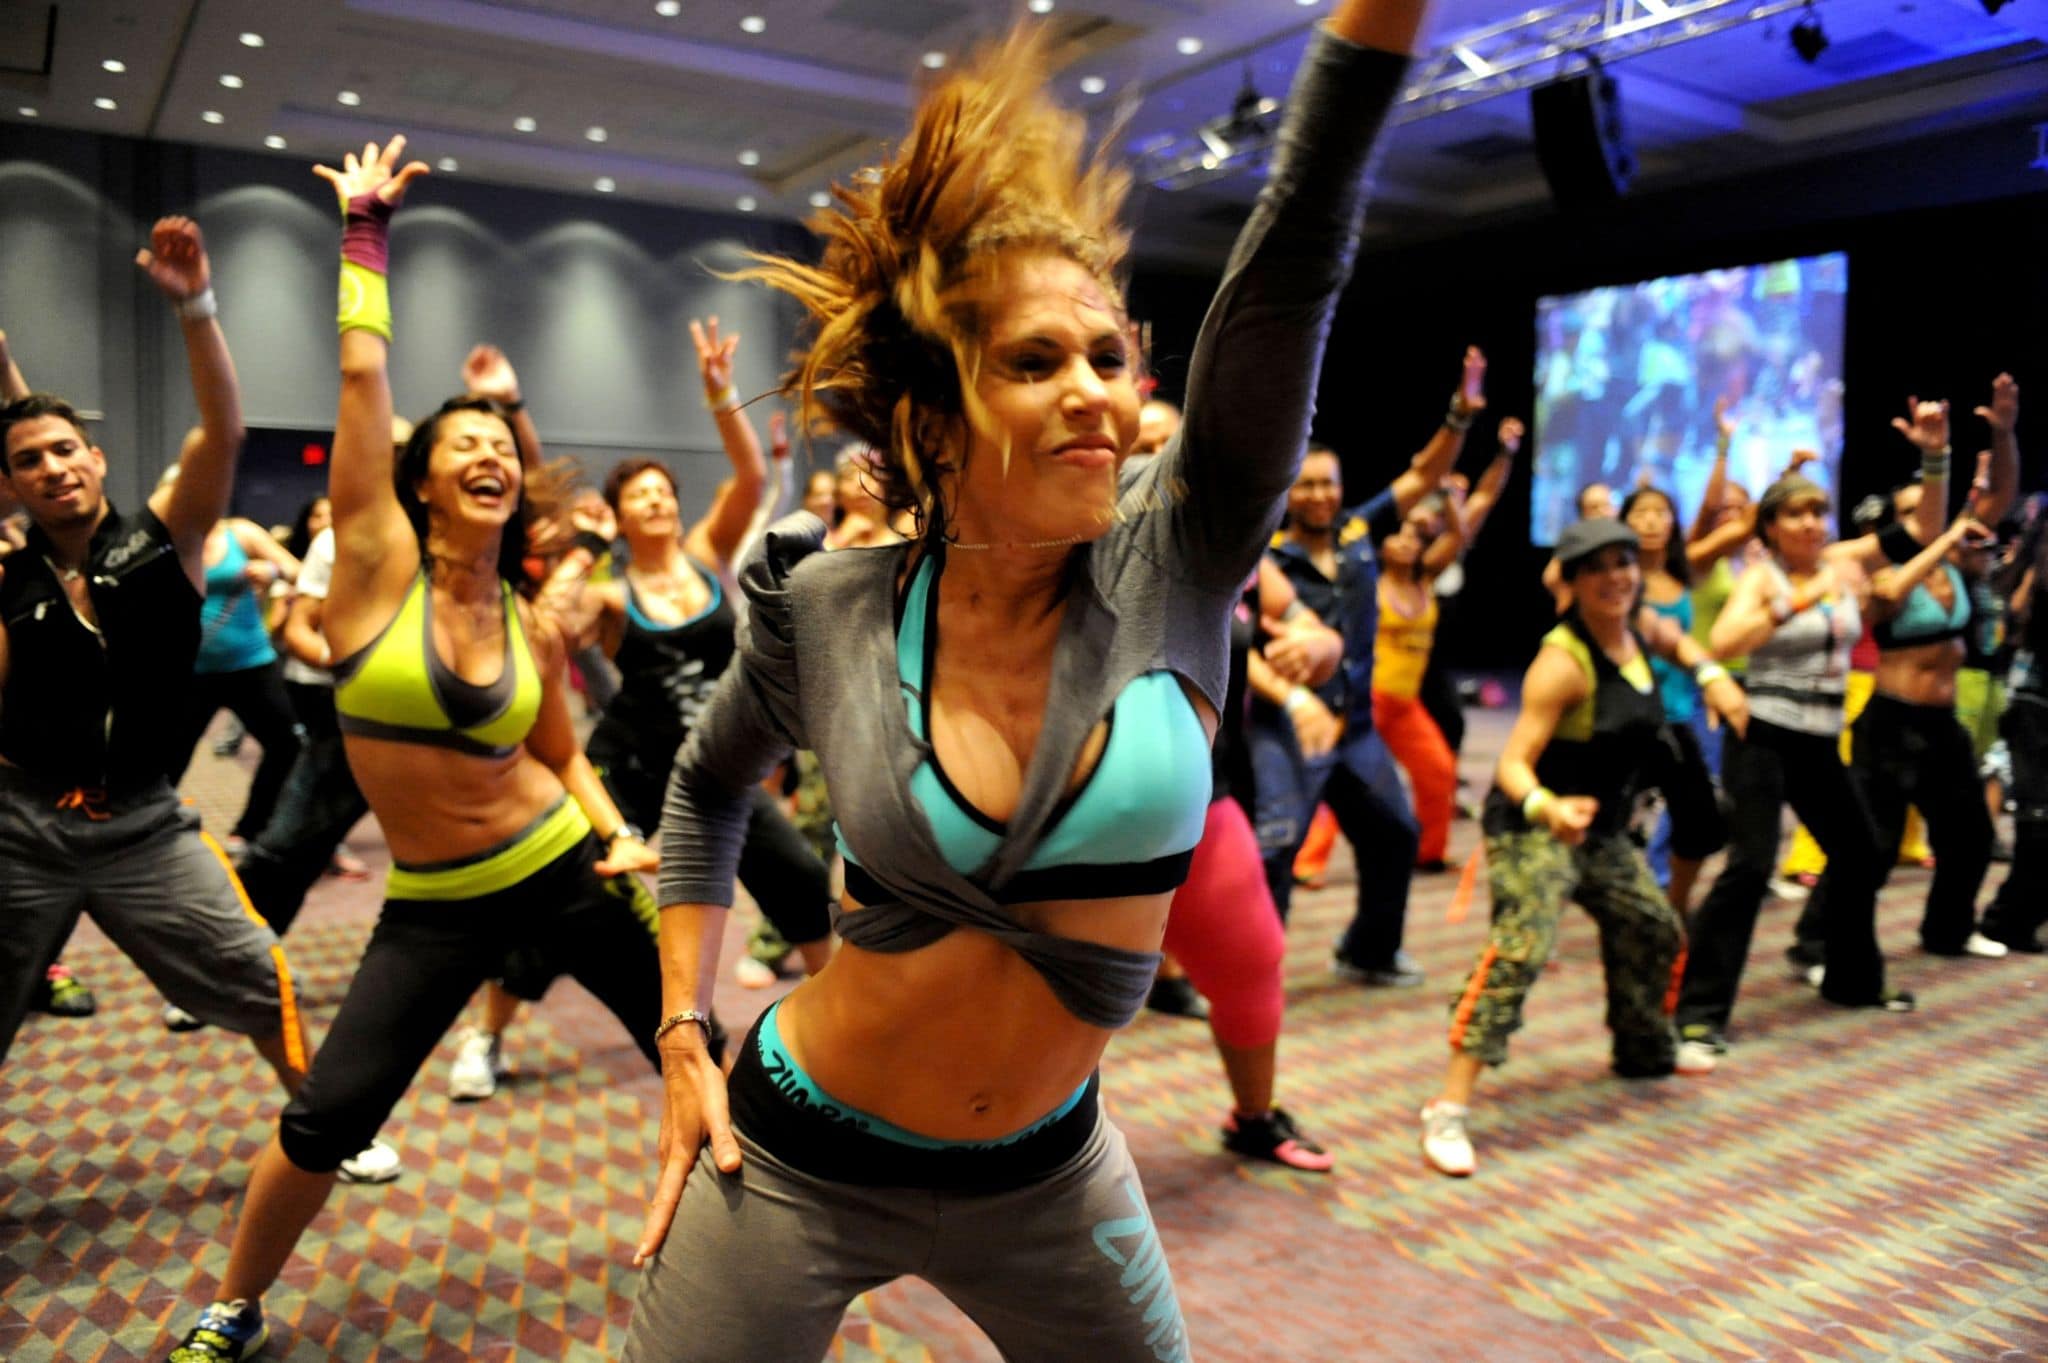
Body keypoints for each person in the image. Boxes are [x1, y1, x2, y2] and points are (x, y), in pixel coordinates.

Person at [623, 6, 1423, 1359]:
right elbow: (705, 787)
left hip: (1049, 1175)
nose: (1095, 393)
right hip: (795, 1153)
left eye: (1109, 357)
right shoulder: (829, 608)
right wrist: (683, 1031)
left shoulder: (1182, 557)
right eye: (1035, 362)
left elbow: (1294, 259)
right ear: (935, 421)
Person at [166, 138, 667, 1363]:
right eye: (464, 445)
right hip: (436, 903)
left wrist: (616, 834)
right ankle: (233, 1303)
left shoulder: (528, 617)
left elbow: (562, 751)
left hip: (563, 867)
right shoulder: (374, 567)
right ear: (421, 483)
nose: (491, 454)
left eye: (503, 445)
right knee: (329, 1112)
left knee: (698, 1050)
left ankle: (803, 1245)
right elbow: (361, 372)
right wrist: (364, 234)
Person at [0, 220, 392, 1181]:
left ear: (97, 458)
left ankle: (328, 1129)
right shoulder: (11, 575)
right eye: (29, 461)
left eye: (67, 450)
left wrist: (196, 307)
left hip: (143, 825)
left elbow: (223, 431)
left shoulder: (163, 541)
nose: (53, 468)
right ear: (9, 485)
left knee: (256, 973)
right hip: (22, 826)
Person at [1421, 519, 1745, 1178]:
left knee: (1653, 926)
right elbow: (1513, 762)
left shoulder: (1642, 627)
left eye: (1623, 562)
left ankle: (1644, 1049)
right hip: (1533, 825)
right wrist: (1547, 806)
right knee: (1522, 947)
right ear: (1569, 582)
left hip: (1599, 830)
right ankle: (1448, 1109)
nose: (1615, 577)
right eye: (1595, 567)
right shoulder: (1562, 661)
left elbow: (1682, 642)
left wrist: (1713, 674)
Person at [1673, 411, 1954, 1064]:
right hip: (1763, 735)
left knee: (1860, 853)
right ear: (1771, 526)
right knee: (1750, 865)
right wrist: (1797, 602)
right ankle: (1698, 1014)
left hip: (1820, 738)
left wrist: (1935, 457)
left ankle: (1851, 979)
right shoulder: (1761, 577)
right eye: (1795, 514)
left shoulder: (1842, 563)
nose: (1810, 523)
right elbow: (1726, 641)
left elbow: (1923, 528)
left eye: (1818, 512)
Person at [1252, 346, 1487, 986]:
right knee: (1276, 852)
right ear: (1287, 492)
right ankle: (1256, 972)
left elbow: (1424, 474)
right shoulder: (1266, 558)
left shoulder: (1358, 533)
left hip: (1356, 728)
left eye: (1328, 482)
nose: (1320, 494)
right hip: (1289, 728)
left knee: (1395, 833)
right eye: (1306, 484)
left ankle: (1369, 950)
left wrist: (1460, 416)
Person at [1790, 376, 2021, 965]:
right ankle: (1815, 943)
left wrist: (2003, 432)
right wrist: (1939, 541)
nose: (1931, 521)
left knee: (1971, 836)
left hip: (1943, 723)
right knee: (1872, 843)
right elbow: (1891, 595)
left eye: (1929, 510)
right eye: (1914, 515)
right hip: (1890, 724)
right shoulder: (1880, 574)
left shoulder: (1956, 562)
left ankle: (1947, 930)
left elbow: (2000, 495)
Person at [1370, 430, 1518, 870]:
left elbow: (1474, 514)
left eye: (1418, 534)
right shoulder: (1369, 575)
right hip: (1370, 697)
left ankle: (1430, 851)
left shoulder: (1428, 571)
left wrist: (1503, 455)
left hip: (1411, 690)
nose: (1411, 538)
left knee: (1440, 762)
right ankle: (1304, 859)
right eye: (1403, 532)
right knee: (1348, 778)